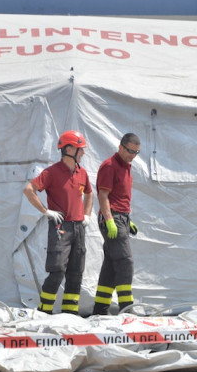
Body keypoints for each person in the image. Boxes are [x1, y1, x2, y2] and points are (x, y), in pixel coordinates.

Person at [23, 130, 93, 315]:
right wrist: (46, 212)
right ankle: (43, 312)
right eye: (81, 149)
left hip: (79, 227)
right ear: (69, 149)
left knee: (76, 272)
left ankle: (70, 314)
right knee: (57, 270)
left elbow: (89, 193)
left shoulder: (82, 172)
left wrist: (87, 215)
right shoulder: (51, 172)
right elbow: (29, 189)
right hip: (60, 227)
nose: (83, 152)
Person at [92, 133, 141, 316]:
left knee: (111, 265)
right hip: (112, 219)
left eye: (136, 152)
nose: (133, 156)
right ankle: (126, 309)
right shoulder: (109, 166)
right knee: (125, 262)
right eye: (130, 151)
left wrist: (128, 221)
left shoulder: (126, 167)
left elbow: (119, 197)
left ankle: (100, 310)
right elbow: (103, 196)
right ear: (120, 147)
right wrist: (110, 220)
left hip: (121, 218)